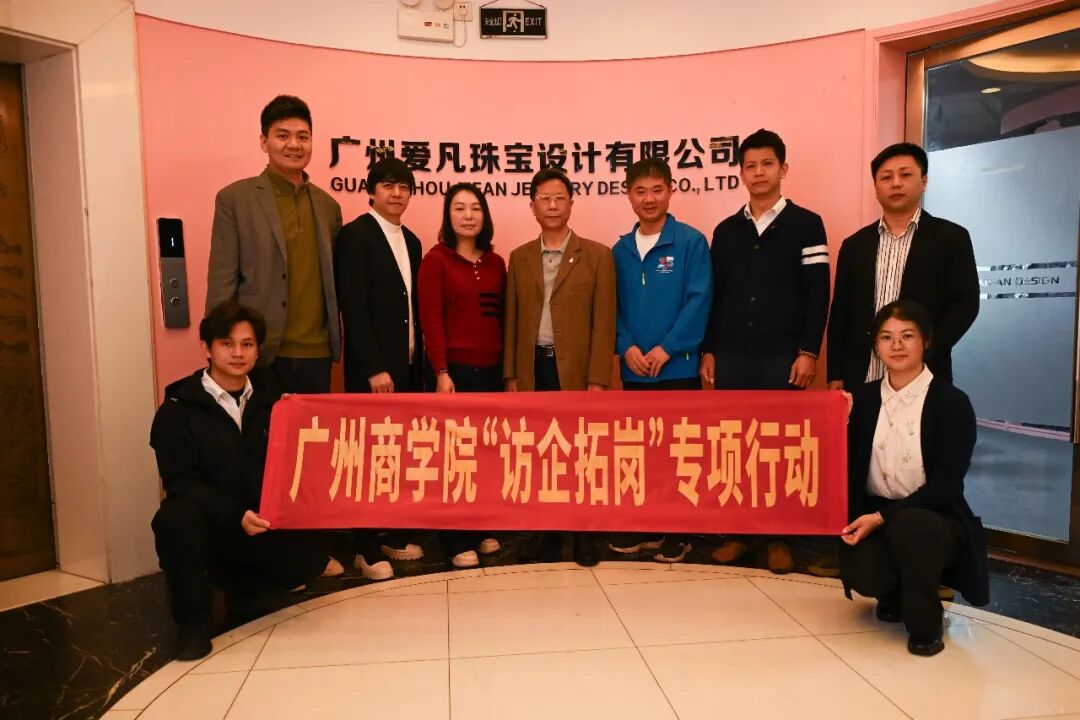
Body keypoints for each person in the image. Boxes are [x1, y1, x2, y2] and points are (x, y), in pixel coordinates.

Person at [814, 141, 979, 579]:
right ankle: (858, 547)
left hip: (922, 375)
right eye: (886, 177)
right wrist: (836, 374)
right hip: (864, 376)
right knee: (862, 464)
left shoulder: (950, 238)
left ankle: (932, 560)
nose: (896, 183)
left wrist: (925, 349)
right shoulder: (856, 245)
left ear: (923, 181)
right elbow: (841, 313)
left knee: (923, 463)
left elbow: (966, 303)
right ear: (875, 186)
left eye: (905, 175)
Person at [150, 301, 340, 661]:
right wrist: (234, 514)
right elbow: (181, 482)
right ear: (207, 349)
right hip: (213, 521)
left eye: (247, 344)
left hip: (259, 519)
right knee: (176, 518)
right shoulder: (178, 409)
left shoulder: (273, 402)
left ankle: (248, 591)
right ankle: (193, 624)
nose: (238, 353)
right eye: (227, 344)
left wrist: (296, 420)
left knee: (308, 544)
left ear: (257, 350)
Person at [701, 129, 830, 574]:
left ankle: (779, 537)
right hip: (734, 356)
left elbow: (818, 293)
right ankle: (740, 533)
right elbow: (716, 296)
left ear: (783, 169)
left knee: (780, 447)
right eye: (750, 165)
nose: (759, 172)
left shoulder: (807, 224)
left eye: (767, 164)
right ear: (741, 172)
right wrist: (710, 350)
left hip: (783, 357)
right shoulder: (726, 231)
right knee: (735, 446)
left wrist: (808, 351)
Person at [840, 299, 989, 656]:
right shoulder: (861, 399)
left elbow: (945, 486)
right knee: (863, 569)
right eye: (886, 337)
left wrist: (882, 517)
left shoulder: (951, 402)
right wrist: (838, 422)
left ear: (926, 340)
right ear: (876, 346)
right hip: (875, 511)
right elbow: (837, 464)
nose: (896, 345)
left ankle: (926, 623)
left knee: (912, 527)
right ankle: (893, 595)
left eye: (907, 336)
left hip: (934, 515)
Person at [504, 167, 617, 566]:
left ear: (571, 204)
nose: (552, 205)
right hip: (534, 370)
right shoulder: (519, 258)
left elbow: (604, 323)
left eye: (559, 198)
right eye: (544, 198)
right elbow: (512, 320)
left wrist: (598, 379)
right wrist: (512, 375)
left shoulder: (598, 256)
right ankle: (546, 531)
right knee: (540, 452)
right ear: (532, 206)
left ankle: (584, 532)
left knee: (582, 451)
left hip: (578, 373)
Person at [610, 158, 712, 563]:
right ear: (628, 195)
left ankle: (679, 531)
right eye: (640, 191)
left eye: (656, 189)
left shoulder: (690, 242)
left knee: (679, 453)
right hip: (634, 369)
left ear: (671, 190)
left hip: (678, 368)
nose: (649, 198)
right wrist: (626, 347)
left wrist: (667, 348)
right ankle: (648, 525)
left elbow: (699, 300)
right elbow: (611, 307)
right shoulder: (619, 249)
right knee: (641, 452)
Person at [205, 95, 342, 394]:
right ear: (263, 141)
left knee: (312, 427)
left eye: (303, 137)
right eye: (283, 136)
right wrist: (220, 347)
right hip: (259, 351)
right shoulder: (235, 199)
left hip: (317, 354)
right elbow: (221, 280)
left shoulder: (328, 207)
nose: (294, 144)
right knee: (260, 426)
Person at [334, 157, 426, 577]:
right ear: (371, 191)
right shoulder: (355, 235)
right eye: (388, 185)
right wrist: (373, 367)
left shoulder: (412, 241)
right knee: (368, 455)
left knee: (398, 453)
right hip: (373, 373)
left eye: (404, 186)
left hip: (407, 368)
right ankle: (365, 546)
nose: (396, 193)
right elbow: (352, 307)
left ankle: (392, 533)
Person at [418, 183, 506, 568]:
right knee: (453, 456)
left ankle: (481, 525)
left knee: (485, 453)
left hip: (492, 372)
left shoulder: (496, 263)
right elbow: (431, 321)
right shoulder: (436, 260)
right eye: (459, 208)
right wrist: (441, 370)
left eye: (475, 208)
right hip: (452, 372)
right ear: (448, 215)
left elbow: (502, 318)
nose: (468, 215)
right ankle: (454, 538)